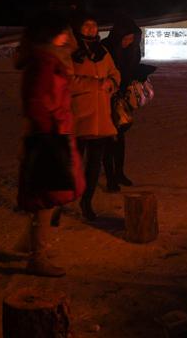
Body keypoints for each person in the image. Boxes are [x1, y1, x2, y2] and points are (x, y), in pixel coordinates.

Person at [14, 13, 84, 277]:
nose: (69, 36)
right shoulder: (44, 62)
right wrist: (49, 133)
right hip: (48, 139)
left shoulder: (52, 59)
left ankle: (33, 245)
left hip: (55, 135)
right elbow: (36, 102)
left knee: (52, 197)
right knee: (47, 198)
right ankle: (37, 256)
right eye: (64, 31)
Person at [70, 15, 121, 220]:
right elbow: (66, 80)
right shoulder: (70, 52)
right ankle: (58, 204)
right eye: (86, 25)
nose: (91, 29)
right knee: (72, 165)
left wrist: (111, 82)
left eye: (94, 25)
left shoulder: (102, 51)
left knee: (94, 165)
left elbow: (115, 73)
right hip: (78, 117)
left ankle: (86, 201)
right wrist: (94, 84)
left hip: (101, 118)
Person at [103, 15, 142, 190]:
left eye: (131, 39)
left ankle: (119, 172)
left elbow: (132, 69)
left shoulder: (132, 50)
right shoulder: (105, 48)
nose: (128, 42)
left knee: (120, 137)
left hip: (123, 99)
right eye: (125, 38)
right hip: (106, 98)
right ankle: (110, 176)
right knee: (108, 138)